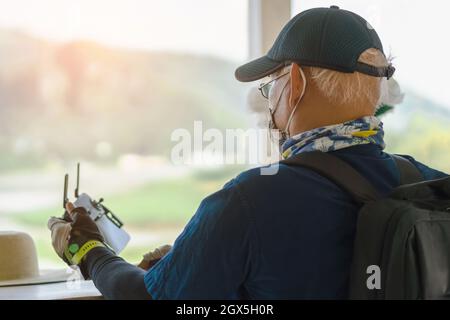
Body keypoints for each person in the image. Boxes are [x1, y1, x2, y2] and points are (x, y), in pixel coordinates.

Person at [48, 6, 448, 300]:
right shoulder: (431, 186)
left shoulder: (248, 202)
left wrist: (88, 249)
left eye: (270, 83)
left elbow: (144, 297)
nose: (270, 98)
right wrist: (193, 259)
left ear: (294, 83)